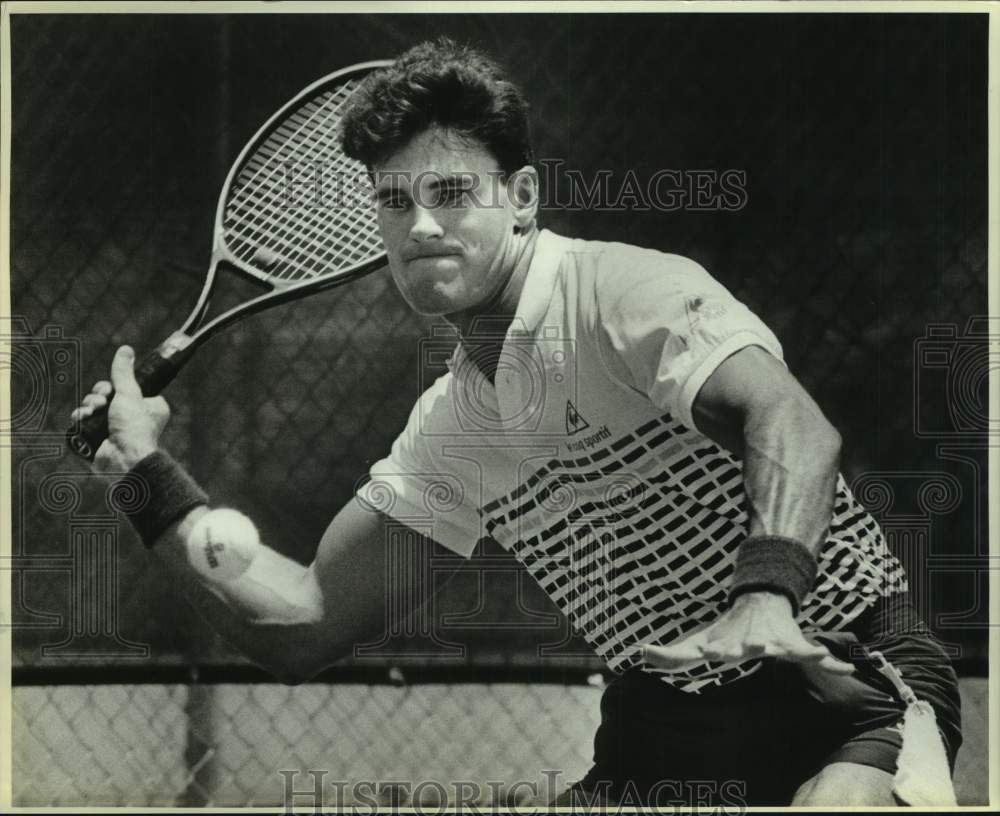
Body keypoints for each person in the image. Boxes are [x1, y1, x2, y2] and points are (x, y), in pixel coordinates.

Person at [71, 38, 961, 807]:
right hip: (663, 735)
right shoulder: (455, 426)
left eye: (452, 191)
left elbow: (793, 424)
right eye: (392, 201)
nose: (420, 224)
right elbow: (302, 621)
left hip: (844, 685)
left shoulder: (621, 292)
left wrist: (767, 595)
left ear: (522, 196)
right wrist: (149, 480)